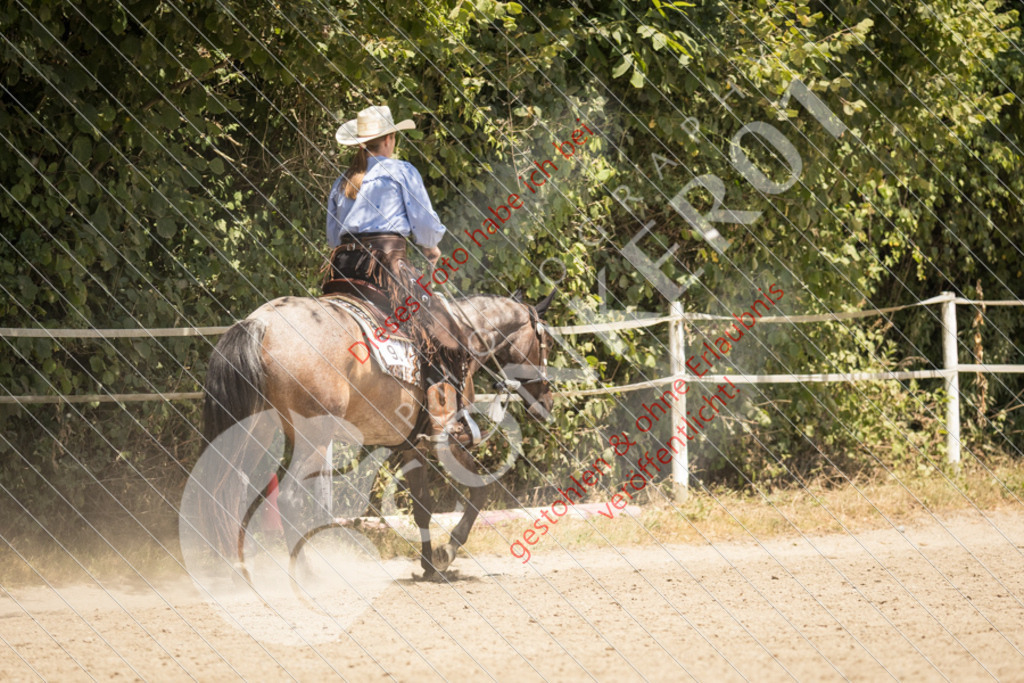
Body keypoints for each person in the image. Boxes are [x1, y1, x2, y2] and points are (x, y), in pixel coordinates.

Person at [325, 104, 475, 445]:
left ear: (360, 145)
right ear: (389, 139)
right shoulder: (401, 172)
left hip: (342, 271)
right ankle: (445, 420)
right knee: (442, 331)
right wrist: (431, 248)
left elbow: (333, 237)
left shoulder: (342, 182)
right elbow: (424, 226)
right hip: (384, 270)